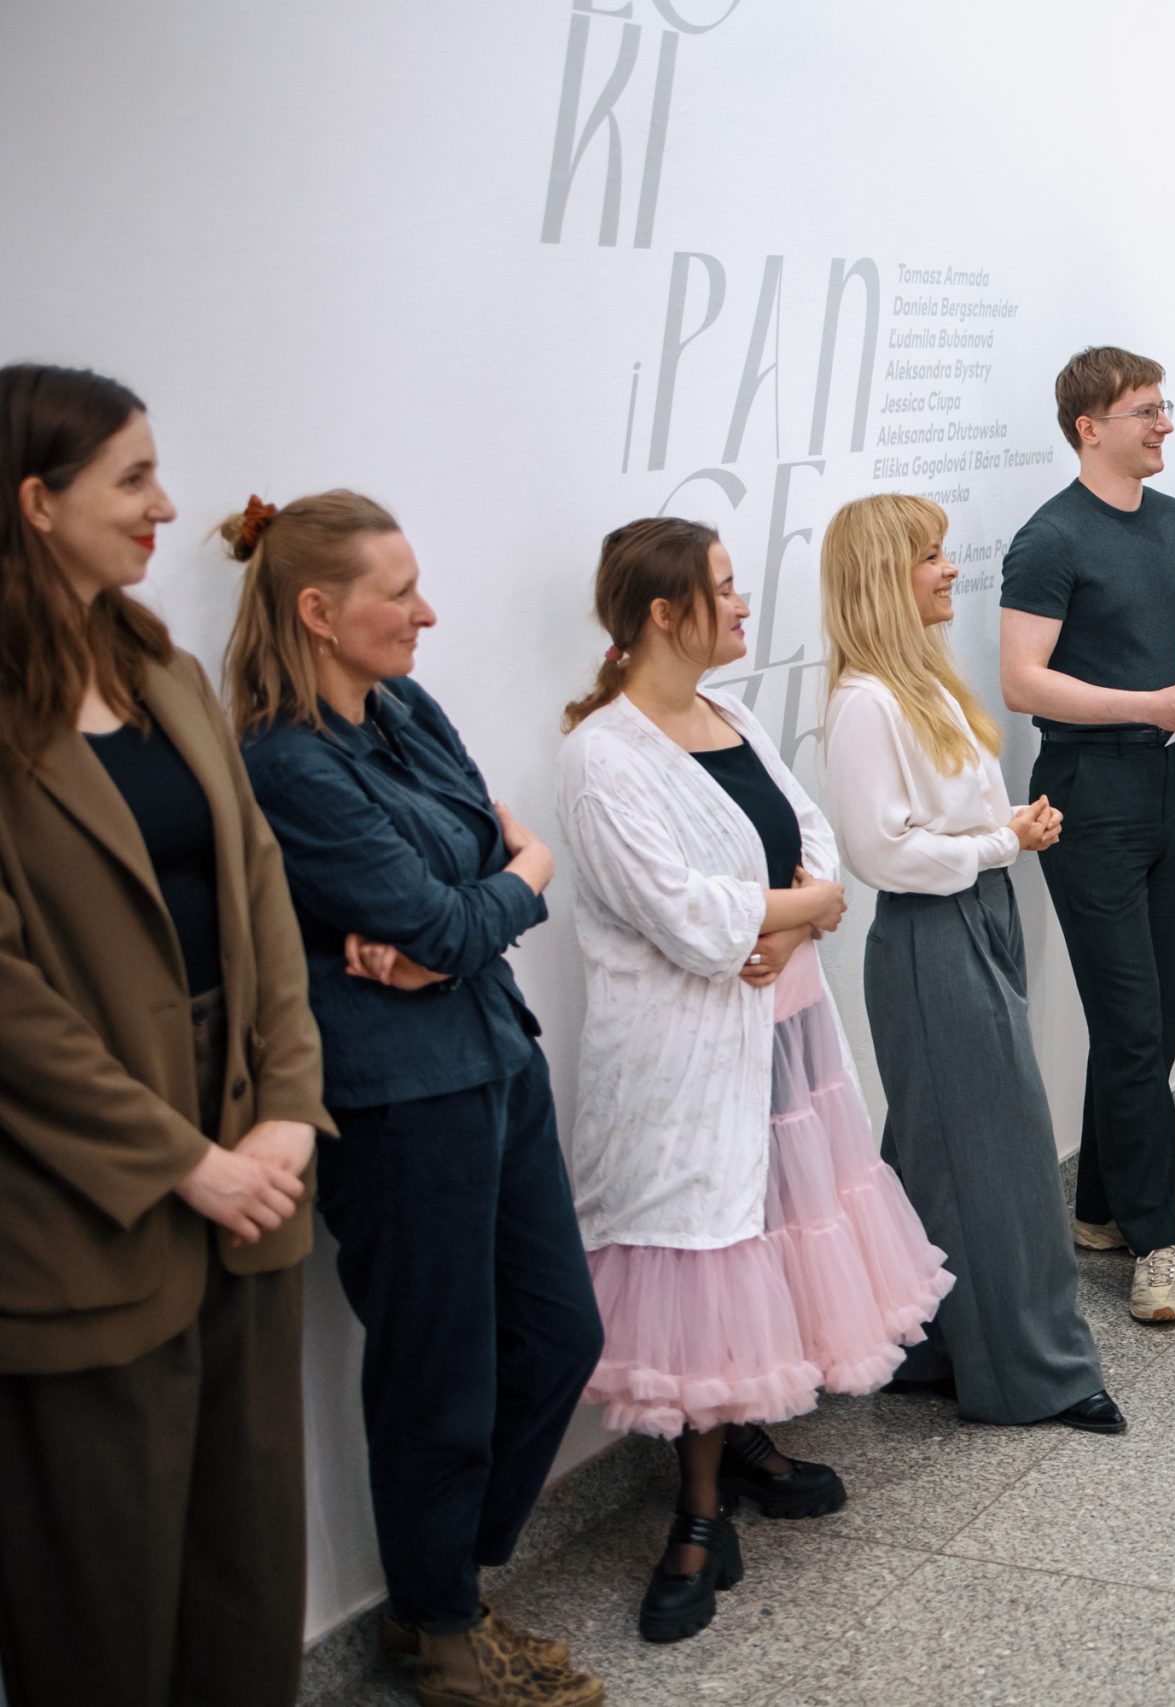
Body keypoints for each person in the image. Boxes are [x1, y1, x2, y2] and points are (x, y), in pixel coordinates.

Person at [229, 491, 605, 1707]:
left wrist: (492, 892)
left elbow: (486, 868)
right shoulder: (285, 762)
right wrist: (493, 896)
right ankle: (443, 1628)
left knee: (559, 1336)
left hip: (492, 1050)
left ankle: (440, 1585)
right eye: (398, 594)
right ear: (317, 610)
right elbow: (457, 904)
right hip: (396, 1099)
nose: (425, 614)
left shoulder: (403, 707)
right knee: (436, 1371)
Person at [555, 516, 954, 1640]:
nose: (741, 605)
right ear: (662, 613)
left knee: (773, 1228)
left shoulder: (733, 717)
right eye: (723, 589)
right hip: (685, 1056)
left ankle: (744, 1443)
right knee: (709, 1251)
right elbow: (684, 914)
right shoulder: (602, 757)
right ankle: (694, 1515)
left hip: (781, 1028)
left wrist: (792, 913)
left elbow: (812, 836)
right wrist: (798, 910)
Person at [0, 365, 325, 1707]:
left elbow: (260, 890)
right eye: (131, 478)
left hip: (253, 1168)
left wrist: (287, 1108)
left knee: (248, 1562)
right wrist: (185, 1161)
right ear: (35, 500)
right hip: (87, 1196)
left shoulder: (166, 671)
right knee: (102, 1590)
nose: (166, 505)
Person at [821, 493, 1122, 1433]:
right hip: (931, 933)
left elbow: (943, 822)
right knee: (1002, 1160)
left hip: (972, 916)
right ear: (884, 578)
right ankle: (1040, 1374)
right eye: (930, 556)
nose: (950, 569)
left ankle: (931, 1347)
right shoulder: (867, 703)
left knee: (939, 1148)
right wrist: (1002, 841)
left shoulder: (922, 683)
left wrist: (1006, 829)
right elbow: (880, 854)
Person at [997, 345, 1175, 1321]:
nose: (1164, 425)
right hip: (1086, 791)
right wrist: (1146, 702)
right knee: (1132, 1022)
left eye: (1163, 407)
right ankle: (1157, 1241)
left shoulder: (1174, 521)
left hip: (1163, 779)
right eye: (1146, 411)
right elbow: (1022, 680)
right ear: (1090, 427)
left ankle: (1102, 1209)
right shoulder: (1048, 539)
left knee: (1162, 1011)